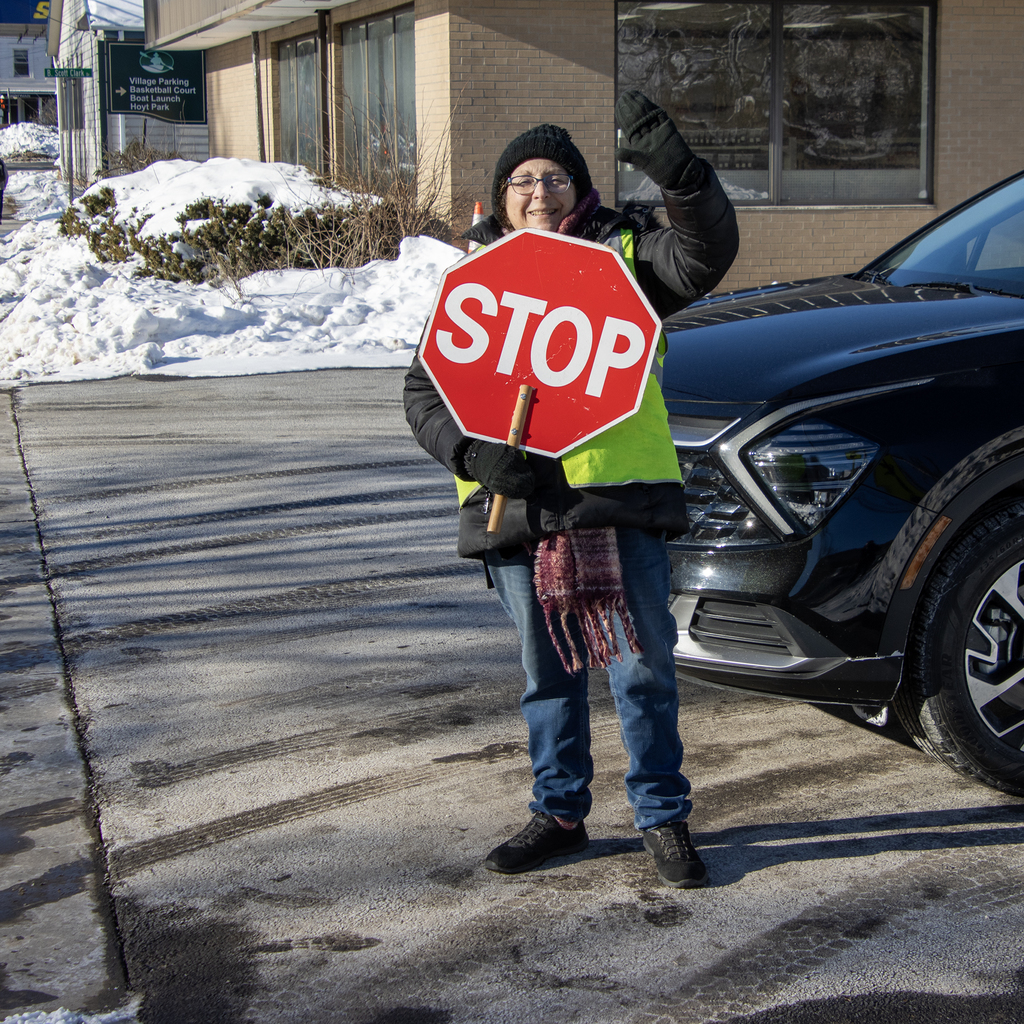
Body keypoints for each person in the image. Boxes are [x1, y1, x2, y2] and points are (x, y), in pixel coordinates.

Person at [403, 92, 738, 889]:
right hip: (516, 510)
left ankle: (662, 815)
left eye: (556, 175)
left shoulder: (624, 256)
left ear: (580, 190)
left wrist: (680, 177)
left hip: (616, 504)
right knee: (546, 678)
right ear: (502, 195)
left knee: (642, 673)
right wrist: (475, 457)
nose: (539, 189)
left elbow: (703, 256)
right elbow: (424, 392)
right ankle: (558, 814)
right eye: (522, 178)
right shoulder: (477, 277)